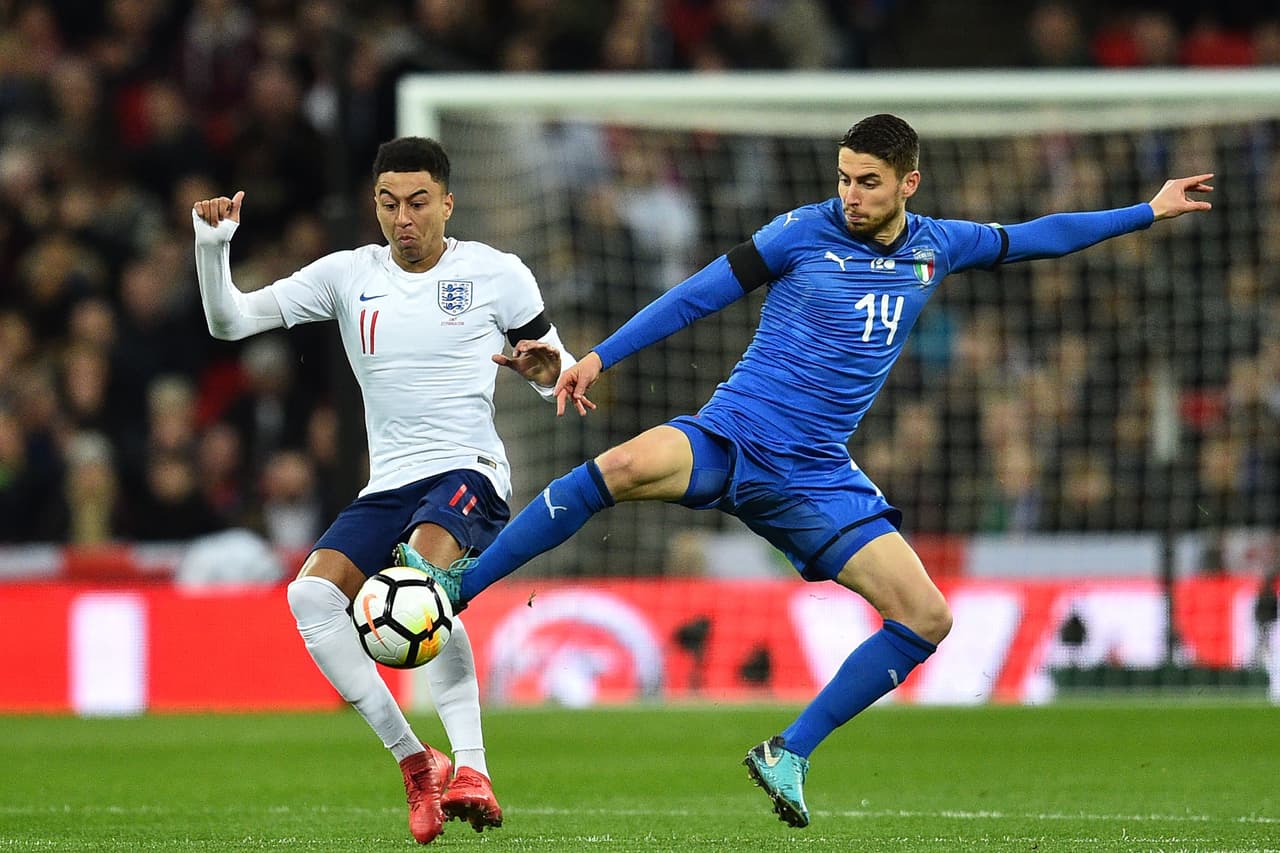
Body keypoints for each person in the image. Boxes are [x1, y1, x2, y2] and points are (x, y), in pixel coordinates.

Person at [401, 113, 1213, 828]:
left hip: (818, 475)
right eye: (843, 178)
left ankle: (789, 750)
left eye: (867, 182)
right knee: (614, 465)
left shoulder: (941, 245)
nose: (850, 194)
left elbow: (1039, 235)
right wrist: (601, 356)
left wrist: (1148, 210)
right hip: (734, 434)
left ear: (908, 183)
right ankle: (455, 590)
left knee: (928, 617)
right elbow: (697, 296)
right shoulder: (801, 231)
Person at [191, 137, 586, 844]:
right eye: (387, 202)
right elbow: (230, 321)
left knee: (418, 584)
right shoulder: (348, 274)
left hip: (468, 471)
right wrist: (211, 247)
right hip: (390, 481)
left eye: (417, 202)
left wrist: (539, 365)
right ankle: (414, 761)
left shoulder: (498, 274)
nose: (403, 218)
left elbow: (559, 376)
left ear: (447, 203)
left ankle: (473, 765)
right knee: (310, 596)